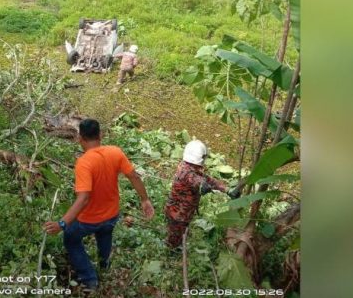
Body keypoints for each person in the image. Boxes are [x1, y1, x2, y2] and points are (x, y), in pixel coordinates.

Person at [43, 119, 155, 292]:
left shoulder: (84, 162)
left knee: (71, 239)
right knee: (104, 236)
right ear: (100, 135)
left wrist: (62, 224)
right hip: (111, 215)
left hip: (88, 220)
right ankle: (105, 267)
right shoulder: (115, 152)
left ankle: (90, 279)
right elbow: (134, 176)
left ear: (80, 138)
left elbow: (84, 198)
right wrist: (145, 199)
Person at [164, 140, 240, 249]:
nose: (205, 159)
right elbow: (195, 180)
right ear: (199, 157)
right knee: (173, 241)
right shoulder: (187, 172)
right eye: (204, 157)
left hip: (183, 212)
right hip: (178, 214)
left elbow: (208, 180)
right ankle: (171, 251)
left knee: (181, 231)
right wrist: (202, 186)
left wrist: (227, 189)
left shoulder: (190, 167)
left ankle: (179, 241)